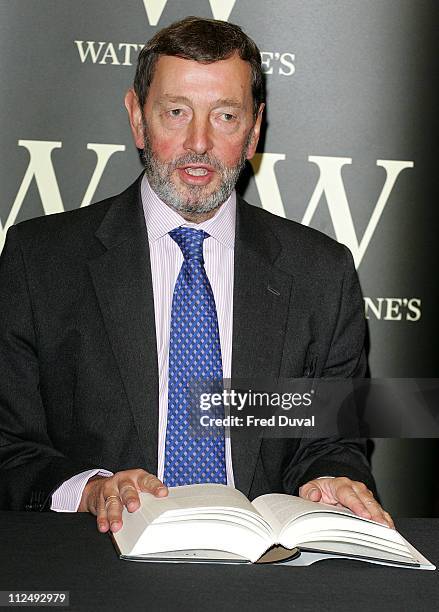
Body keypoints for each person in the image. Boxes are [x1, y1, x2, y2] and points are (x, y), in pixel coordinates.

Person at [0, 17, 393, 533]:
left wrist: (332, 480)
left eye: (225, 115)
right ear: (138, 118)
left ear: (254, 129)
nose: (199, 143)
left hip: (264, 577)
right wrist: (92, 490)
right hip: (97, 568)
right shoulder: (39, 261)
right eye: (176, 112)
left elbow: (332, 443)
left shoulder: (321, 273)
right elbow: (9, 445)